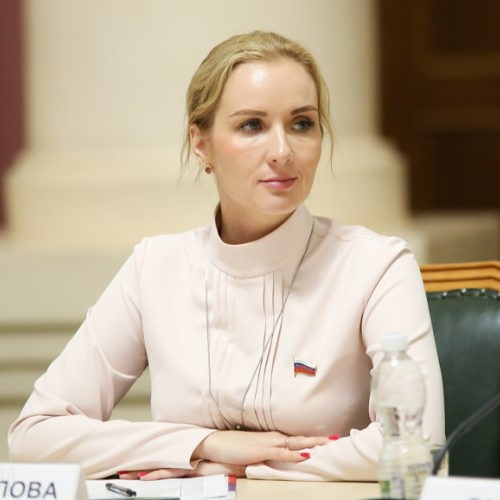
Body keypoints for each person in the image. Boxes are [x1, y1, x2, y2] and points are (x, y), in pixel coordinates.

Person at [8, 30, 445, 482]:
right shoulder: (155, 267)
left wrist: (234, 467)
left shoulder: (377, 265)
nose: (282, 152)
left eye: (302, 124)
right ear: (201, 144)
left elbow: (419, 443)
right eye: (252, 126)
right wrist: (200, 446)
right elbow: (34, 436)